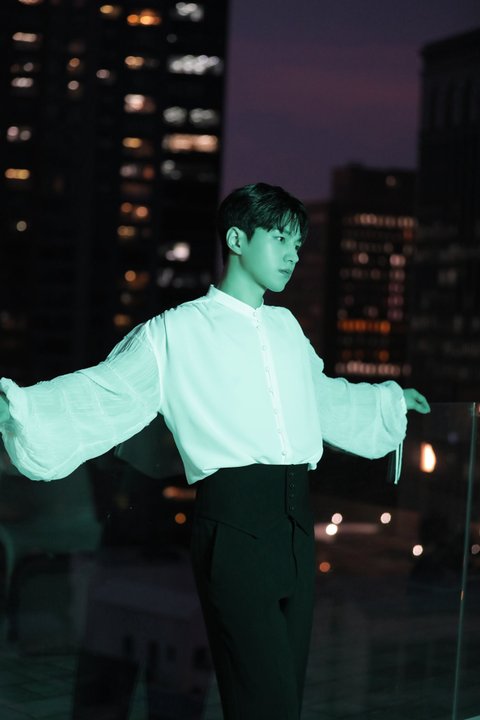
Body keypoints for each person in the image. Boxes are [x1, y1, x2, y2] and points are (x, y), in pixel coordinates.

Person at [0, 182, 430, 719]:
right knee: (264, 704)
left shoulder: (286, 326)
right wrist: (20, 407)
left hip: (297, 533)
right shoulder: (175, 330)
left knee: (283, 699)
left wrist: (389, 402)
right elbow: (107, 389)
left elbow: (322, 396)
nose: (294, 255)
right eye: (280, 239)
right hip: (234, 533)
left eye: (298, 244)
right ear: (237, 239)